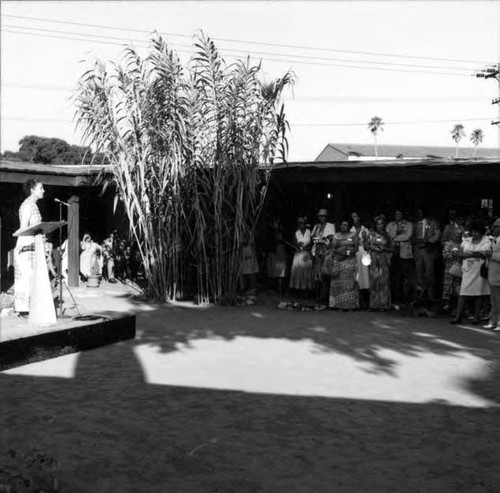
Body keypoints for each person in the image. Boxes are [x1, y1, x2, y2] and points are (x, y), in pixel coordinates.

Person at [14, 178, 45, 316]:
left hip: (34, 244)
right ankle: (23, 310)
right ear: (32, 190)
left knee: (33, 278)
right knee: (26, 278)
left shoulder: (34, 205)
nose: (43, 191)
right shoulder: (27, 205)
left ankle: (31, 307)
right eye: (41, 188)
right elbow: (24, 228)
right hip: (26, 246)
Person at [451, 221, 491, 325]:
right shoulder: (466, 241)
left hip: (480, 270)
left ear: (481, 232)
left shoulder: (487, 241)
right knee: (463, 293)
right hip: (467, 270)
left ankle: (476, 317)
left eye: (477, 232)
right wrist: (472, 255)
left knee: (479, 294)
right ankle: (457, 317)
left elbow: (486, 254)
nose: (474, 234)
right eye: (473, 232)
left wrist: (469, 254)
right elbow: (458, 254)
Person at [386, 209, 415, 306]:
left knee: (405, 277)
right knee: (394, 277)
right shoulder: (390, 224)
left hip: (405, 254)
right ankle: (395, 299)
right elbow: (387, 235)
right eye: (396, 214)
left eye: (399, 214)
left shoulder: (409, 224)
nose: (397, 215)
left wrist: (395, 238)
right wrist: (396, 237)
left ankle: (406, 299)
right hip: (393, 253)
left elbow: (408, 236)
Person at [329, 219, 359, 310]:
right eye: (342, 224)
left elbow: (356, 248)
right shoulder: (336, 235)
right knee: (338, 284)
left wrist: (348, 253)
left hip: (350, 261)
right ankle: (337, 305)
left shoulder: (353, 235)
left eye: (346, 224)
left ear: (349, 226)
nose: (344, 226)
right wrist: (340, 252)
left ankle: (350, 306)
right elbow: (332, 248)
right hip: (338, 260)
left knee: (350, 283)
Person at [364, 216, 392, 311]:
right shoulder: (371, 234)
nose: (380, 226)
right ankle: (373, 305)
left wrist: (384, 249)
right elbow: (365, 246)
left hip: (383, 261)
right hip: (373, 261)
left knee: (383, 282)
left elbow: (392, 248)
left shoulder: (387, 235)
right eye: (378, 224)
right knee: (374, 281)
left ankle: (383, 305)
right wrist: (373, 247)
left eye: (381, 224)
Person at [413, 208, 441, 300]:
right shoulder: (415, 224)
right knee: (418, 273)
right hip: (418, 250)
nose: (419, 214)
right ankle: (420, 296)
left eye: (421, 212)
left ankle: (430, 296)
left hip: (429, 250)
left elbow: (437, 235)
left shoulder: (432, 222)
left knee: (429, 273)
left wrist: (428, 240)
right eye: (418, 213)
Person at [311, 209, 335, 302]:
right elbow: (313, 238)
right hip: (317, 251)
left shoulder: (330, 225)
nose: (321, 218)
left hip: (326, 251)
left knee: (325, 274)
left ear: (326, 217)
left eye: (323, 216)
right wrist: (320, 238)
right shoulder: (317, 226)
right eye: (320, 216)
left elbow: (331, 237)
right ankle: (319, 296)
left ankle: (325, 296)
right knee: (318, 274)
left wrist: (322, 239)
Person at [441, 227, 464, 316]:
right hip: (450, 270)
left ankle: (459, 310)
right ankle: (449, 308)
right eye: (457, 235)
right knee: (449, 289)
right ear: (452, 235)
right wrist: (459, 255)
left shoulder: (464, 244)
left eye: (460, 235)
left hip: (461, 270)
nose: (458, 237)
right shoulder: (448, 244)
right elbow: (446, 255)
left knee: (459, 290)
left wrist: (459, 255)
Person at [289, 217, 314, 295]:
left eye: (302, 222)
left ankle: (306, 291)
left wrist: (306, 247)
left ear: (305, 223)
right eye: (299, 223)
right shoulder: (296, 232)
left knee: (307, 272)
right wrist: (298, 246)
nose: (301, 224)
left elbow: (312, 243)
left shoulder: (309, 232)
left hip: (307, 254)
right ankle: (297, 290)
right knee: (298, 271)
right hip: (298, 254)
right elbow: (294, 243)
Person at [350, 212, 370, 308]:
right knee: (355, 275)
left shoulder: (364, 229)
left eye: (356, 216)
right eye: (353, 217)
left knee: (364, 276)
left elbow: (368, 242)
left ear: (359, 218)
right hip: (354, 253)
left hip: (363, 253)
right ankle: (355, 301)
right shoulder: (351, 230)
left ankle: (365, 300)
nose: (354, 219)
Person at [484, 218, 500, 330]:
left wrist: (491, 255)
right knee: (493, 299)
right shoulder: (492, 240)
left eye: (496, 226)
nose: (493, 228)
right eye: (493, 226)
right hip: (492, 273)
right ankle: (493, 321)